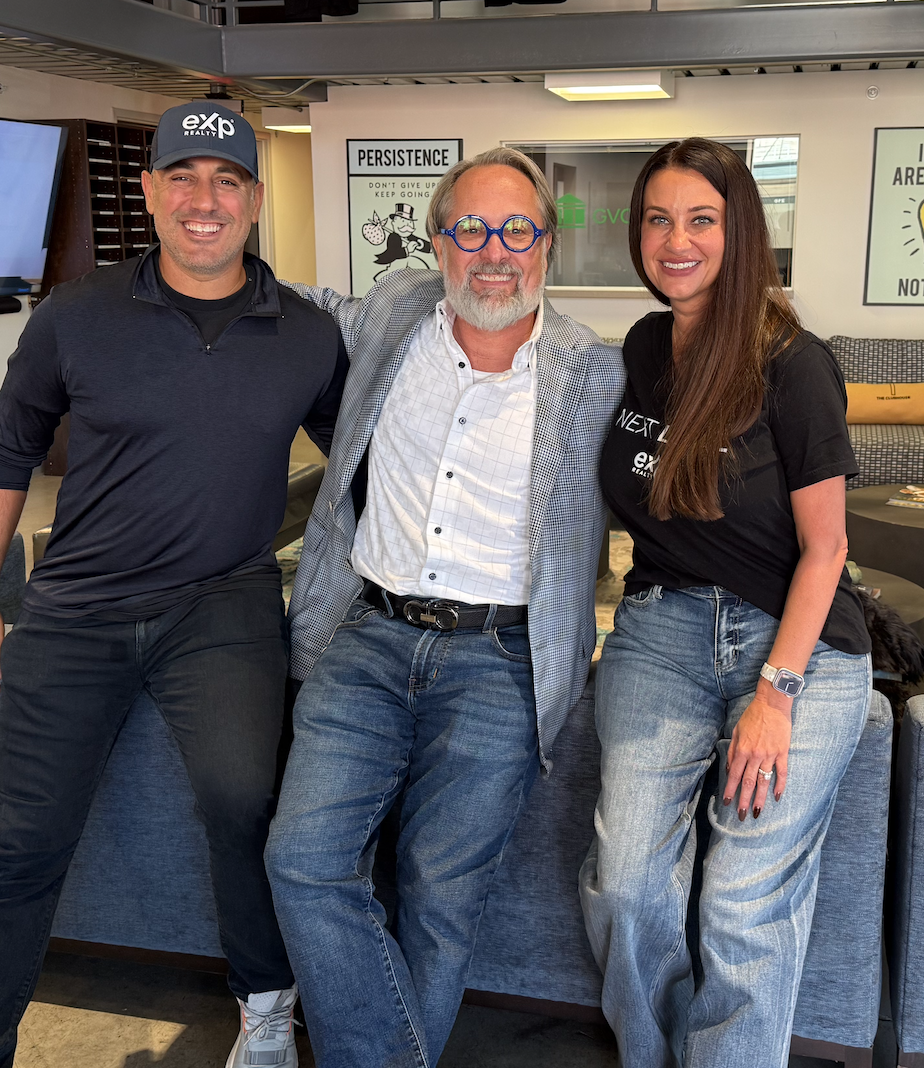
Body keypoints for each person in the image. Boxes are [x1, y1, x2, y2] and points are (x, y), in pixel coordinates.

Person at [0, 102, 348, 1068]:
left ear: (254, 199)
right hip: (76, 607)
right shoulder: (77, 314)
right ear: (150, 192)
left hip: (224, 605)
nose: (205, 200)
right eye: (183, 178)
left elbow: (365, 462)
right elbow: (5, 451)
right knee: (25, 844)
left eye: (226, 181)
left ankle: (266, 1014)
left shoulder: (308, 333)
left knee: (246, 807)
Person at [264, 147, 626, 1068]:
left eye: (518, 230)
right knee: (301, 861)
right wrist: (197, 257)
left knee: (440, 898)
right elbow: (300, 301)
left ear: (547, 245)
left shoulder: (596, 374)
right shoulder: (394, 310)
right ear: (437, 240)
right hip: (366, 636)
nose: (494, 252)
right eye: (471, 228)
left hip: (501, 662)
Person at [578, 138, 874, 1067]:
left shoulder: (794, 363)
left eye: (701, 220)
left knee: (743, 903)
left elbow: (828, 548)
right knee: (626, 887)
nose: (677, 241)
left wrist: (775, 697)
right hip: (661, 632)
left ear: (740, 230)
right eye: (658, 220)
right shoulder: (644, 346)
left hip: (796, 644)